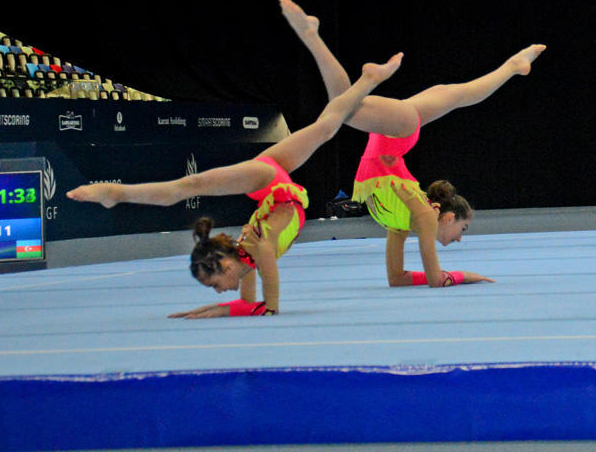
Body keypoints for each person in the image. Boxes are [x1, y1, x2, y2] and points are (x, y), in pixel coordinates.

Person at [67, 58, 400, 316]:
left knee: (188, 185)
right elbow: (251, 303)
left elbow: (267, 308)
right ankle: (368, 80)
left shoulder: (259, 248)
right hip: (273, 184)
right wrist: (219, 310)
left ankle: (117, 193)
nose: (218, 292)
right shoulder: (247, 254)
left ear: (226, 265)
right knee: (327, 127)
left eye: (214, 285)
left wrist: (226, 309)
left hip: (268, 182)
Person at [280, 0, 544, 287]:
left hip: (394, 136)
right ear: (448, 217)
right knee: (346, 106)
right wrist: (466, 276)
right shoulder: (423, 216)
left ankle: (513, 65)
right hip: (399, 134)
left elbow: (397, 278)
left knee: (457, 95)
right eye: (463, 229)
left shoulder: (400, 222)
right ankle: (313, 38)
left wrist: (456, 276)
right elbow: (435, 279)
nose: (459, 239)